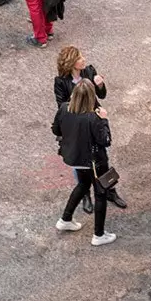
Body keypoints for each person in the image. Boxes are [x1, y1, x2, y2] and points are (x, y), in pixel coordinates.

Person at [53, 76, 115, 245]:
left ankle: (66, 219)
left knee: (82, 185)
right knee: (100, 193)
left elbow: (56, 129)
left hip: (75, 158)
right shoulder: (93, 118)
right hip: (95, 162)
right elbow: (106, 141)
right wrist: (104, 120)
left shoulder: (64, 108)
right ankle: (99, 235)